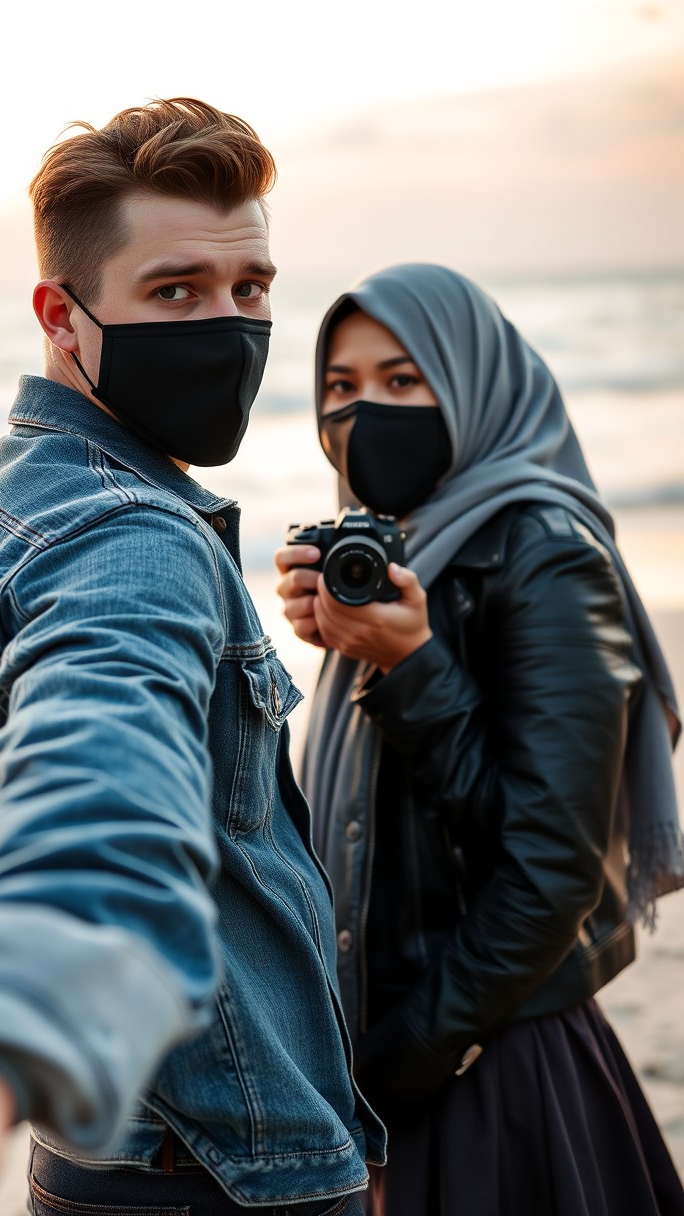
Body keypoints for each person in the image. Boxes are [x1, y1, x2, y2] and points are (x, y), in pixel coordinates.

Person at [0, 100, 384, 1216]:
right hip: (216, 1174)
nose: (231, 326)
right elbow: (103, 773)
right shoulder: (124, 535)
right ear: (61, 313)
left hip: (111, 1151)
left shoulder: (21, 487)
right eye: (175, 291)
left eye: (253, 290)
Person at [276, 263, 684, 1216]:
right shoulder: (395, 548)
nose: (365, 412)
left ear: (471, 381)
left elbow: (548, 870)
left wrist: (410, 665)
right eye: (341, 388)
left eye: (403, 381)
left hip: (480, 1066)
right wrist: (349, 643)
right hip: (383, 1062)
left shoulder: (545, 552)